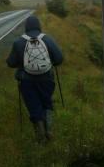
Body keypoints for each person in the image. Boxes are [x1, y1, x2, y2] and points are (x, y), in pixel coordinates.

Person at [6, 15, 63, 143]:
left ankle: (40, 134)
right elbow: (59, 59)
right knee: (46, 102)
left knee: (33, 105)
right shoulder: (48, 39)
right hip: (47, 79)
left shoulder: (18, 42)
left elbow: (10, 63)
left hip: (26, 81)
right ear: (38, 25)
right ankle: (49, 129)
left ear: (26, 26)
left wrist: (21, 63)